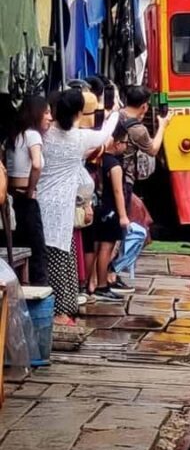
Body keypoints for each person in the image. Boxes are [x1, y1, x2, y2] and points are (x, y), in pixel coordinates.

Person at [37, 89, 119, 322]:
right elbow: (105, 133)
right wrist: (113, 112)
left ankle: (57, 310)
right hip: (62, 206)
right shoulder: (79, 138)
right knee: (61, 256)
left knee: (48, 254)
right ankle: (60, 311)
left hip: (40, 201)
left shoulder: (44, 135)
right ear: (78, 113)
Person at [5, 96, 52, 284]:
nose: (50, 117)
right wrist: (32, 189)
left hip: (12, 197)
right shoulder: (33, 135)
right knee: (37, 250)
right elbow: (37, 165)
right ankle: (40, 294)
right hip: (27, 198)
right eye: (47, 112)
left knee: (17, 247)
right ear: (36, 113)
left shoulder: (13, 136)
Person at [87, 124, 130, 302]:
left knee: (97, 247)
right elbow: (118, 192)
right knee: (107, 247)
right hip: (111, 211)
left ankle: (93, 283)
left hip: (99, 209)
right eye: (126, 143)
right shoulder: (115, 166)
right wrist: (123, 216)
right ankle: (102, 285)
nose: (126, 147)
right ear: (117, 143)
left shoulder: (100, 160)